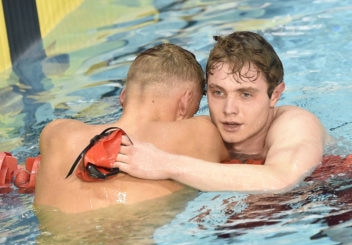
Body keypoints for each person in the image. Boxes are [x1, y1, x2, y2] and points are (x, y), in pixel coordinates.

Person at [115, 31, 329, 193]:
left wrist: (166, 164)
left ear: (275, 94)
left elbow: (282, 179)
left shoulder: (295, 123)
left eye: (245, 94)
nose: (229, 110)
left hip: (336, 190)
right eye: (218, 93)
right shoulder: (206, 133)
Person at [34, 43, 229, 213]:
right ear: (184, 104)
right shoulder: (202, 132)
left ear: (123, 96)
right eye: (193, 111)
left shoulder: (55, 135)